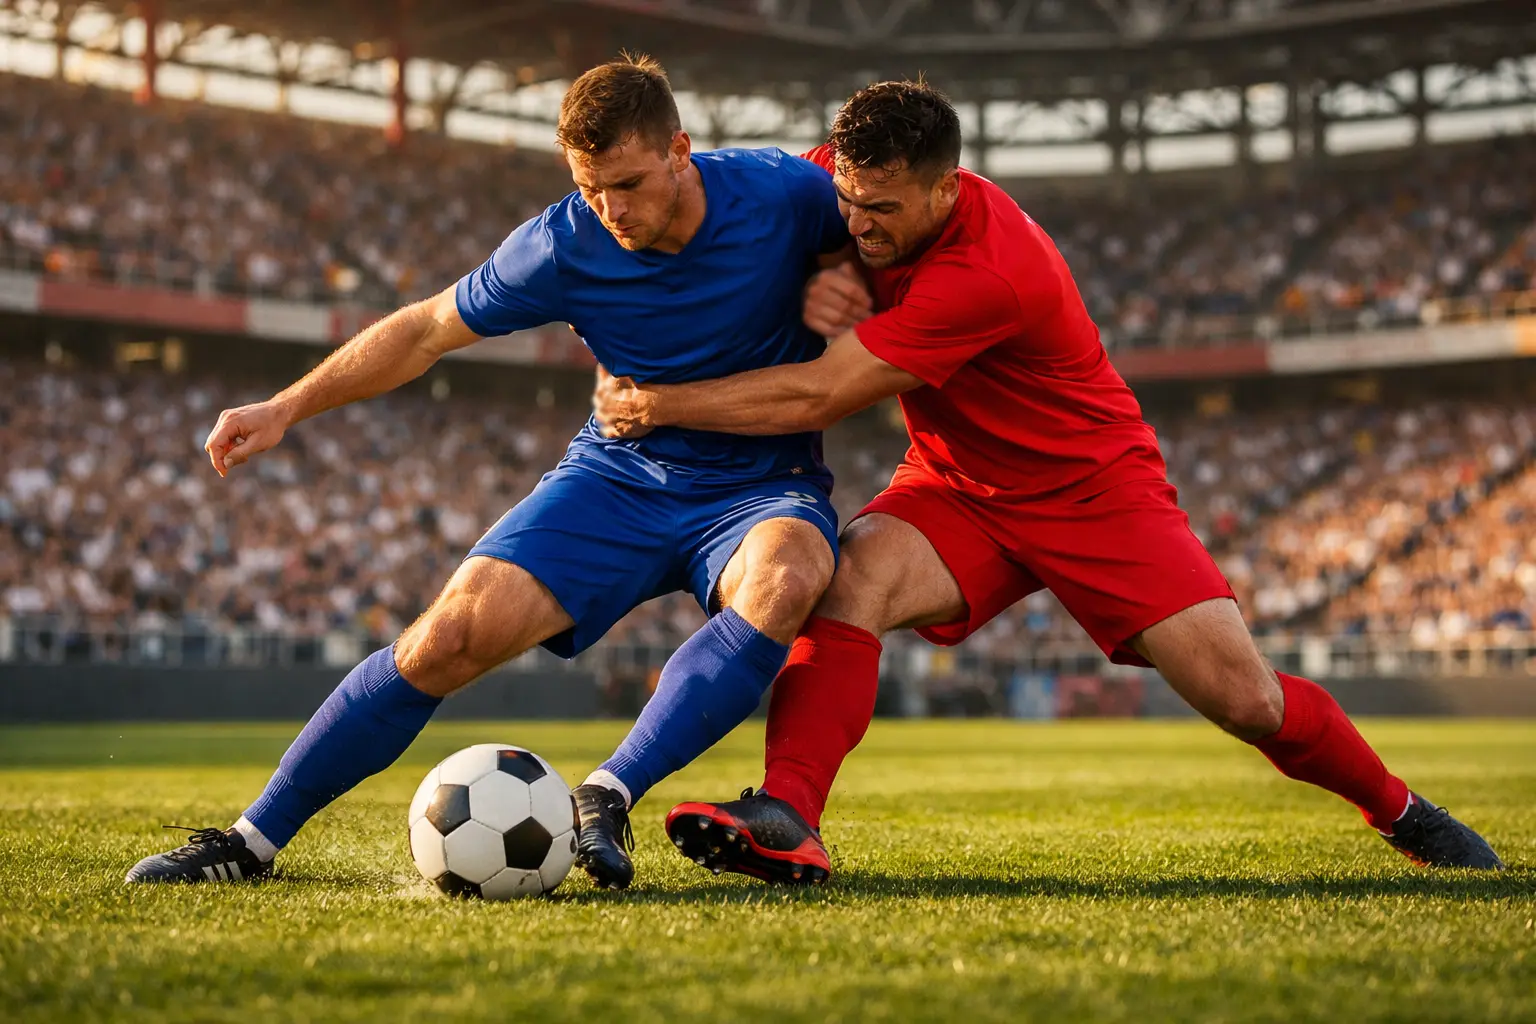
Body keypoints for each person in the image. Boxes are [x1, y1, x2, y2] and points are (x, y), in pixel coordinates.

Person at [592, 79, 1504, 882]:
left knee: (1247, 700)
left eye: (886, 208)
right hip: (958, 485)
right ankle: (788, 815)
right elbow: (747, 199)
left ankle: (1402, 810)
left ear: (948, 187)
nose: (860, 223)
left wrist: (664, 402)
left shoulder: (988, 272)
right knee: (849, 579)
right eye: (850, 198)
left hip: (1093, 490)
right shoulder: (847, 184)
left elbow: (826, 390)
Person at [125, 55, 850, 891]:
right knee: (446, 638)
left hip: (762, 483)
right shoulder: (563, 242)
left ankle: (608, 793)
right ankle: (250, 842)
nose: (612, 209)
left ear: (681, 149)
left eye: (628, 182)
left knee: (790, 574)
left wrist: (856, 302)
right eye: (591, 187)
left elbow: (896, 235)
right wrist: (287, 407)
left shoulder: (782, 193)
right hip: (618, 472)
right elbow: (426, 329)